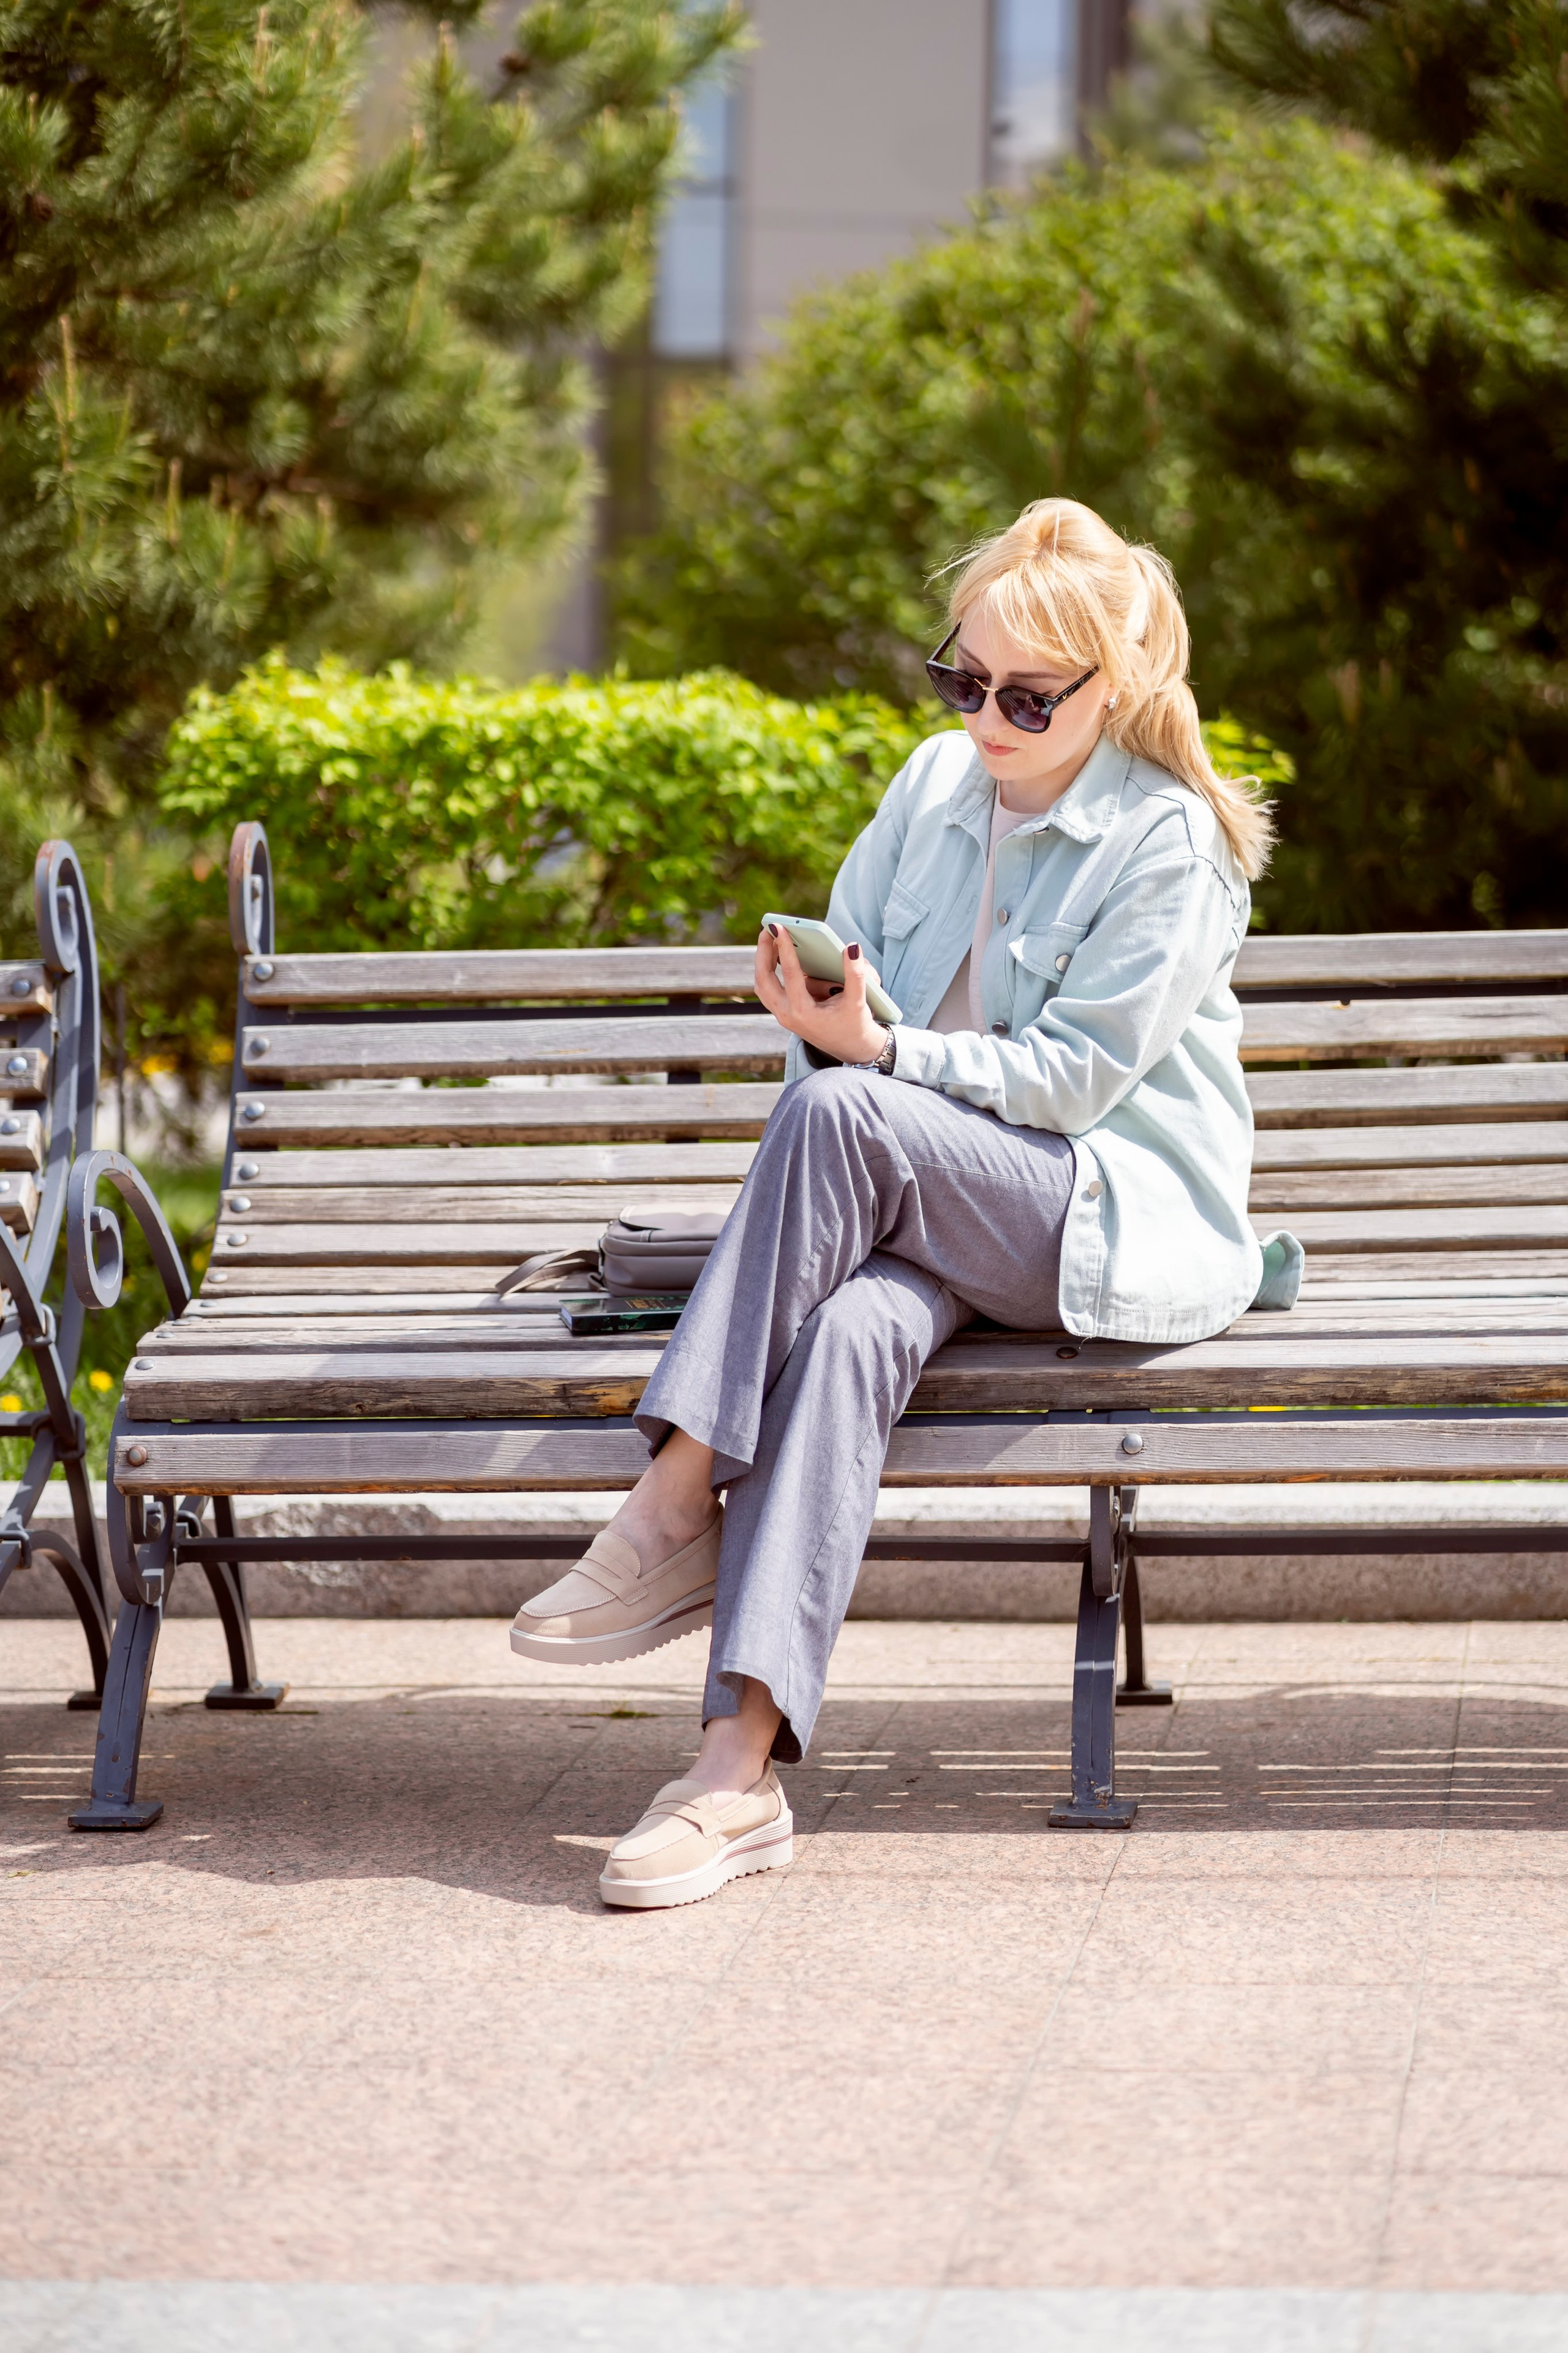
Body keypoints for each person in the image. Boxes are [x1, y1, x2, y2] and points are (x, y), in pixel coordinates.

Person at [511, 496, 1295, 1911]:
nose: (983, 716)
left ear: (1105, 693)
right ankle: (729, 1779)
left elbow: (1065, 1084)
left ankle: (670, 1496)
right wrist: (817, 1016)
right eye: (961, 676)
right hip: (917, 1192)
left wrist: (871, 1057)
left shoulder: (1167, 844)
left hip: (1090, 1209)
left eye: (1023, 695)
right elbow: (853, 1012)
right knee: (851, 1330)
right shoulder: (932, 787)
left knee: (840, 1108)